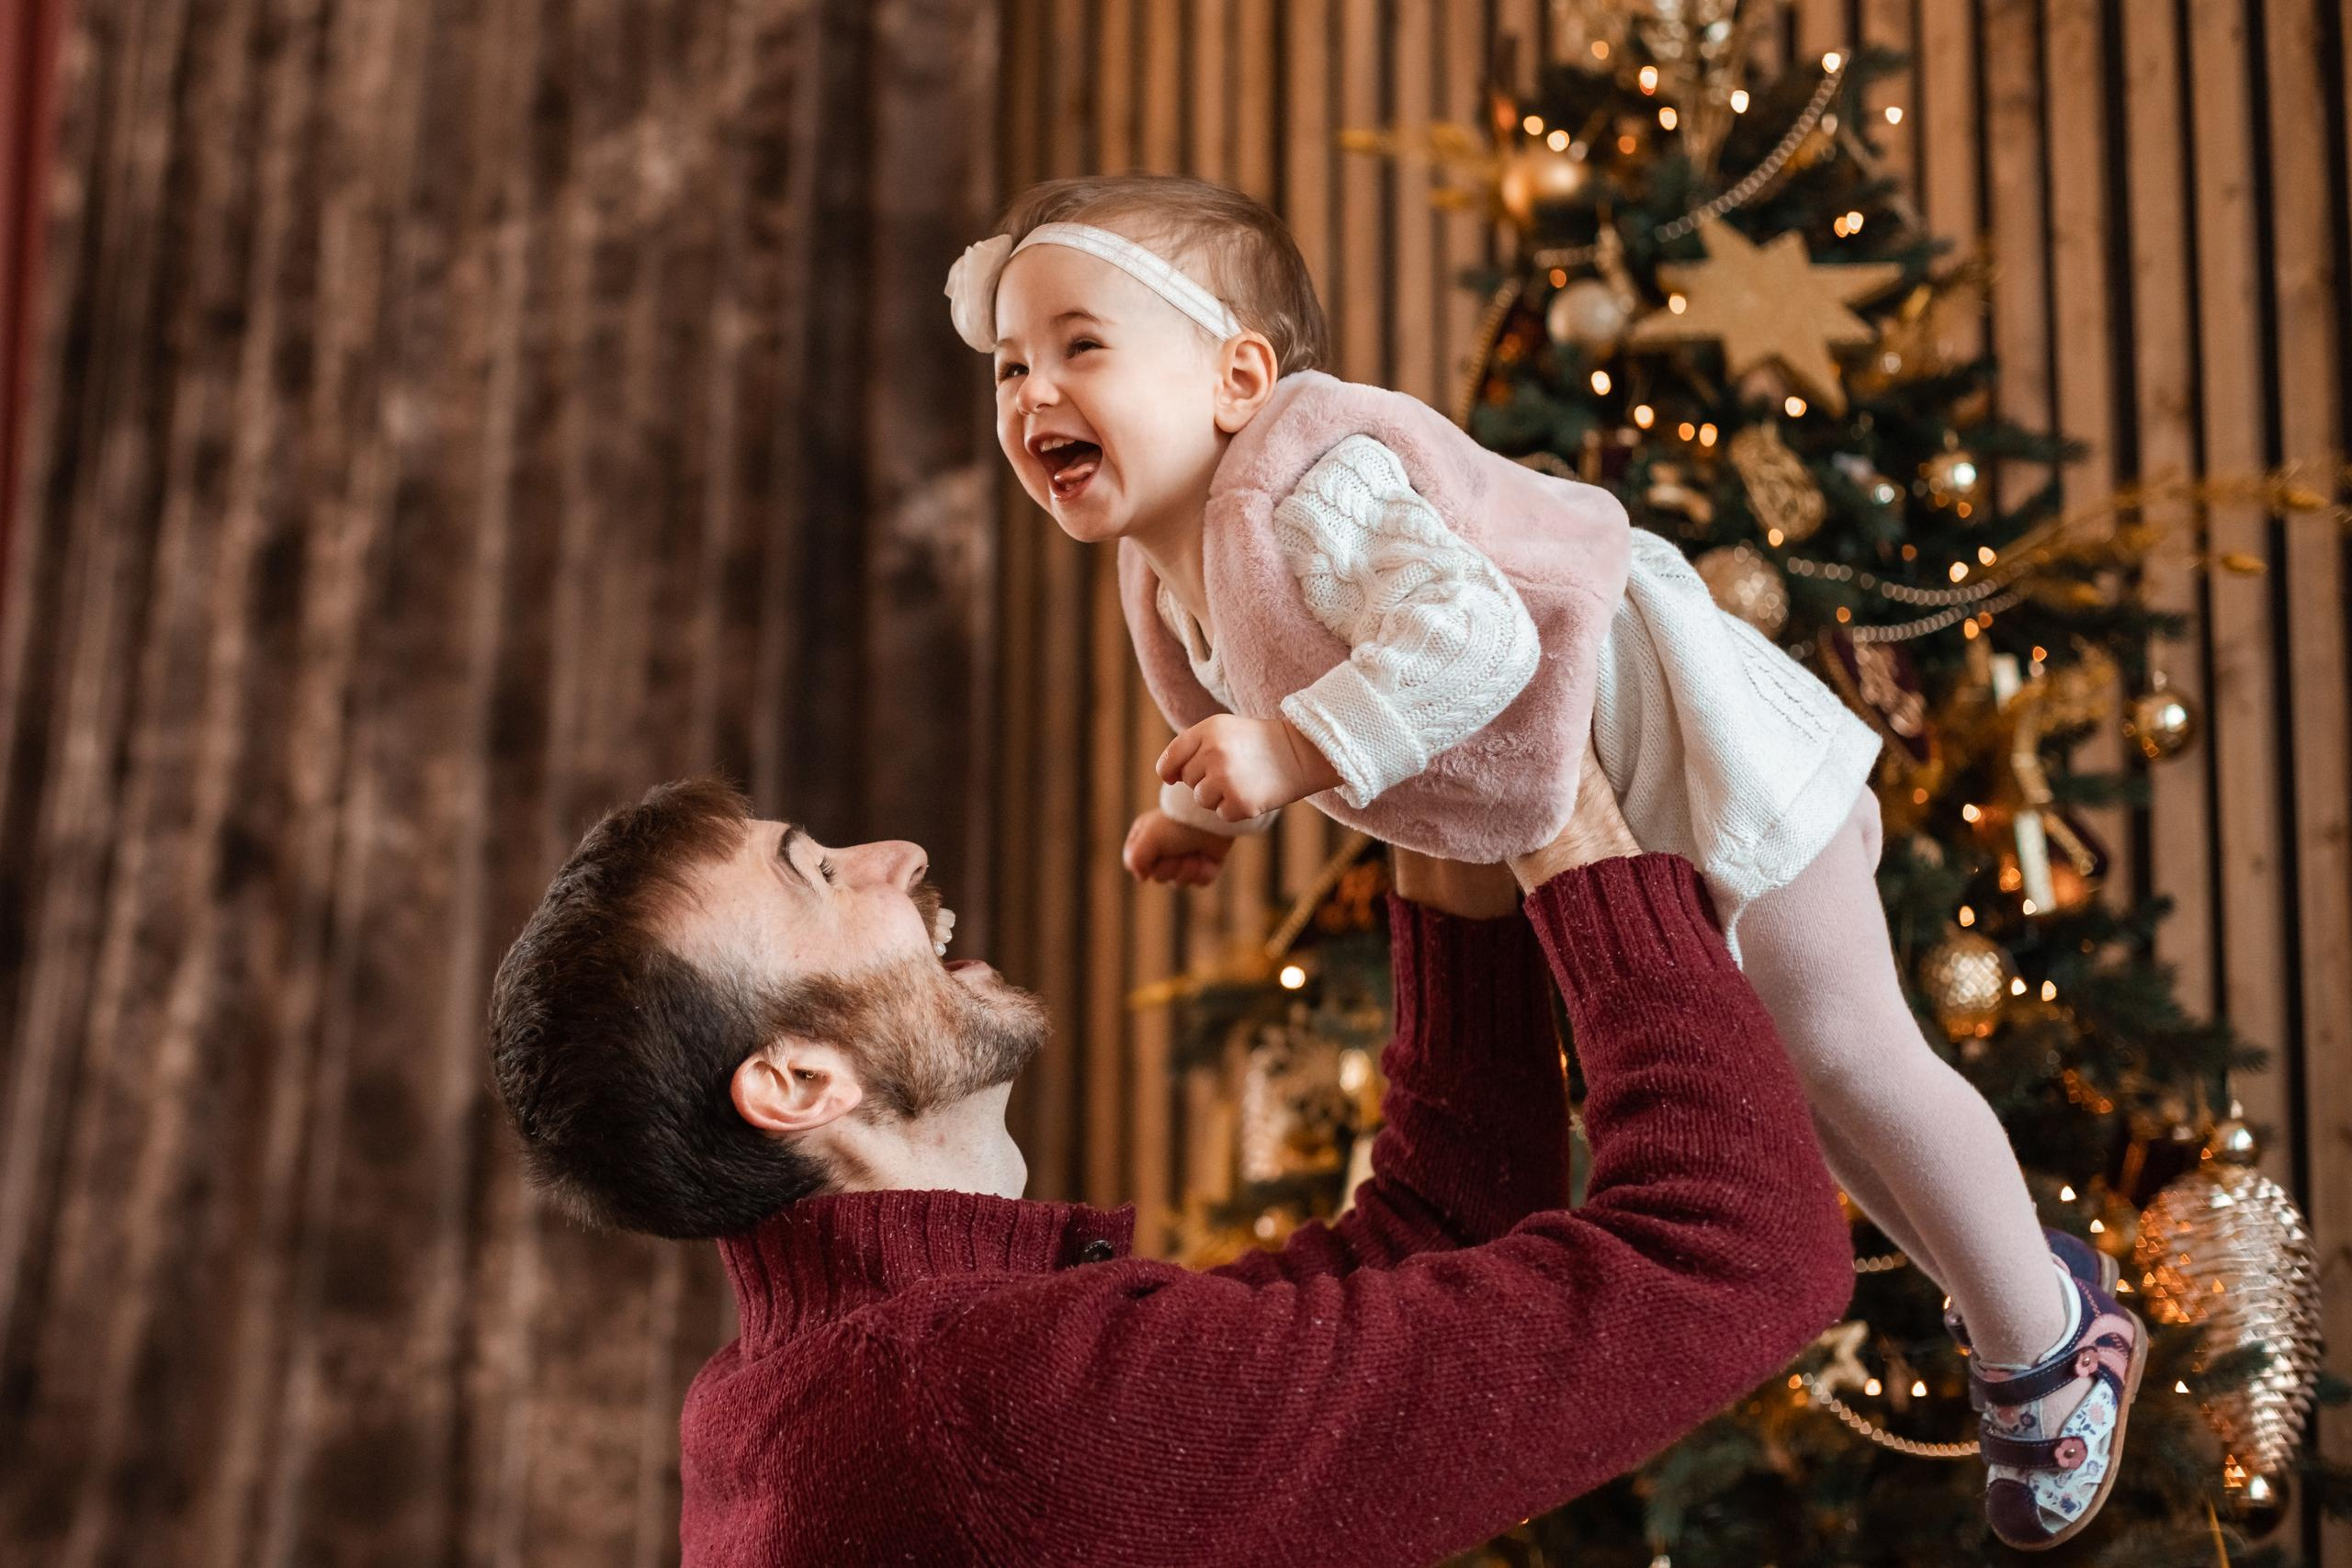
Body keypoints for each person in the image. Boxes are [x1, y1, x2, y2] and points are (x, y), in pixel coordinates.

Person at [946, 171, 2144, 1547]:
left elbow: (1476, 646)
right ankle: (2014, 1304)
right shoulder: (1169, 571)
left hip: (1705, 759)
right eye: (1009, 365)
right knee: (1820, 1097)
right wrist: (1206, 811)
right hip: (1637, 821)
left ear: (1239, 376)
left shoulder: (1312, 483)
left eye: (1079, 347)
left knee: (1854, 1057)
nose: (1032, 394)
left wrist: (1282, 756)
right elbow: (1274, 711)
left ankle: (2049, 1336)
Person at [487, 740, 1856, 1566]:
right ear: (797, 1081)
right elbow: (1738, 1260)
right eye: (814, 874)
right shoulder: (982, 1414)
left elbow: (1436, 1246)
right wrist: (1560, 802)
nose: (891, 854)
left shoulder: (817, 1390)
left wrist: (1454, 836)